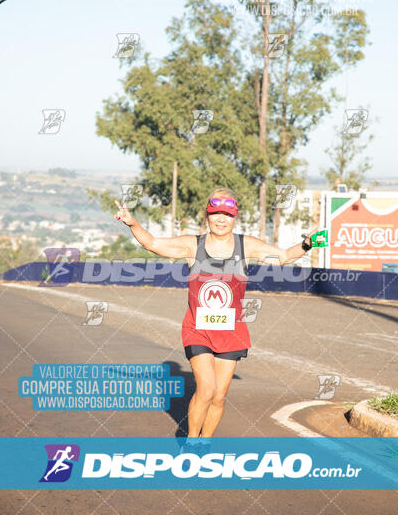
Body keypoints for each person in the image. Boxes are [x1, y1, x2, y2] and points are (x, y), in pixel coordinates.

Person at [114, 187, 315, 442]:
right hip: (198, 329)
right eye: (215, 213)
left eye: (227, 214)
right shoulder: (192, 245)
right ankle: (191, 440)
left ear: (235, 217)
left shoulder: (246, 246)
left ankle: (204, 442)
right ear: (207, 214)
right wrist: (132, 224)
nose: (221, 219)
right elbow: (153, 244)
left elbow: (284, 256)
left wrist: (308, 243)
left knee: (219, 395)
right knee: (206, 389)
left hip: (232, 332)